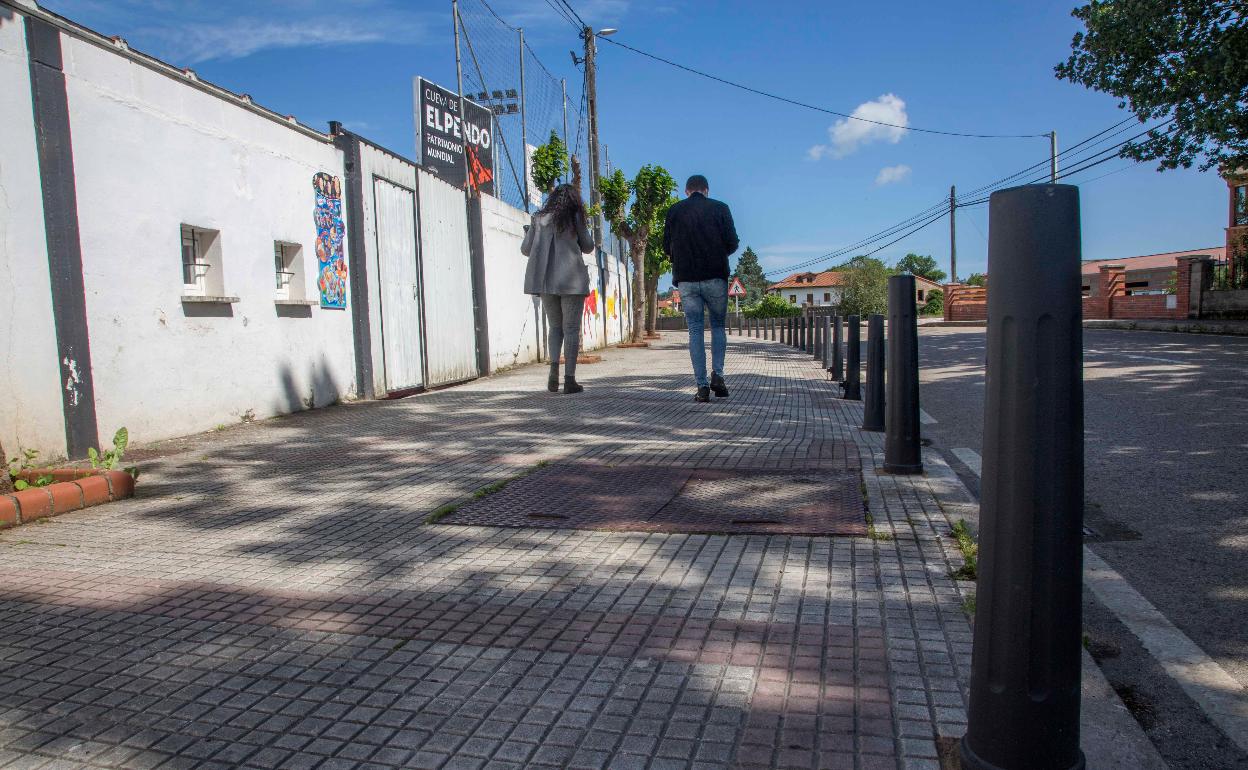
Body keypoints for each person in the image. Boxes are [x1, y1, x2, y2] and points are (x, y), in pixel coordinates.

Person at [663, 174, 739, 402]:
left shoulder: (674, 211)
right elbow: (733, 242)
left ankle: (702, 386)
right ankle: (719, 374)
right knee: (717, 325)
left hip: (686, 278)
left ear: (687, 191)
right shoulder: (721, 208)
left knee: (695, 330)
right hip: (715, 276)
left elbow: (667, 246)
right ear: (706, 190)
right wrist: (716, 253)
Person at [522, 183, 595, 394]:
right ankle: (569, 380)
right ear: (574, 201)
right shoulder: (574, 218)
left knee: (555, 327)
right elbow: (589, 246)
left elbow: (526, 250)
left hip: (546, 281)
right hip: (572, 280)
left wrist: (529, 233)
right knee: (571, 328)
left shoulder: (538, 219)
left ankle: (553, 375)